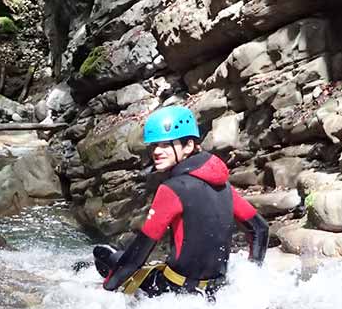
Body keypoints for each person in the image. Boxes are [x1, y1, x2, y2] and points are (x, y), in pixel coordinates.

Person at [93, 105, 268, 298]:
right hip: (215, 292)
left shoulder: (171, 189)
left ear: (188, 146)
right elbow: (260, 228)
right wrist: (253, 277)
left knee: (104, 253)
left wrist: (106, 292)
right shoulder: (224, 186)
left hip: (174, 293)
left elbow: (138, 255)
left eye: (166, 145)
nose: (157, 152)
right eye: (154, 145)